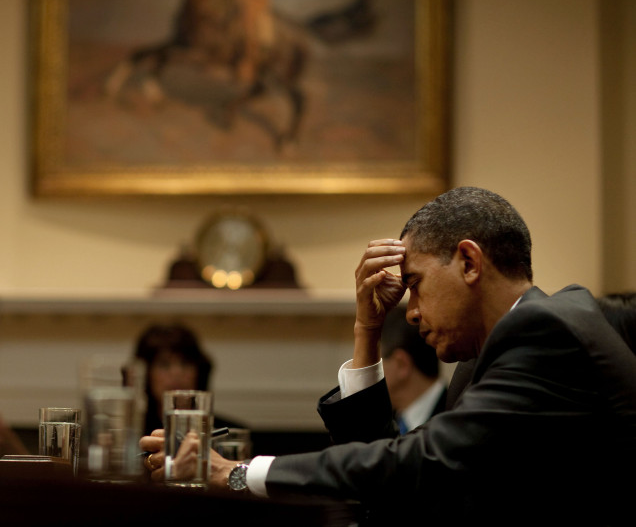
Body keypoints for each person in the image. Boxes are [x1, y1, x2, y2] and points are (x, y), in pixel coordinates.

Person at [141, 186, 636, 524]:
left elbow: (418, 460)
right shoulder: (482, 360)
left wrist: (235, 473)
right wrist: (367, 330)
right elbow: (395, 489)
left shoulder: (545, 334)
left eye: (415, 285)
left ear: (468, 262)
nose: (411, 312)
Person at [133, 322, 242, 435]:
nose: (177, 373)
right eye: (164, 365)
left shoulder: (226, 433)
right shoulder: (132, 433)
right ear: (146, 375)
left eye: (185, 363)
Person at [379, 305, 446, 433]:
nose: (367, 371)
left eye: (374, 363)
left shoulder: (458, 417)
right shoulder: (387, 422)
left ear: (401, 364)